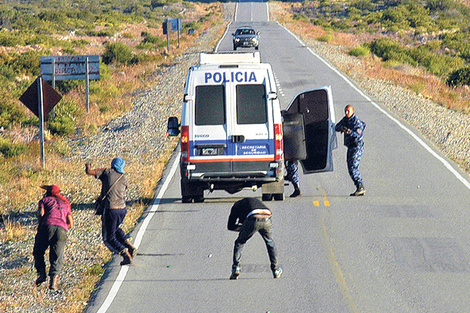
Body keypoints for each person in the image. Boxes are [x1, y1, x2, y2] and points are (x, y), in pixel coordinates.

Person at [85, 157, 136, 266]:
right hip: (122, 210)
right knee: (115, 228)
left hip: (111, 209)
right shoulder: (124, 178)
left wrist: (88, 165)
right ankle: (128, 245)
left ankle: (124, 253)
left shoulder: (107, 172)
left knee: (108, 238)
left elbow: (89, 172)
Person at [227, 197, 282, 280]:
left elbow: (230, 226)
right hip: (267, 216)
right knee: (270, 242)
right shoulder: (252, 202)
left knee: (240, 242)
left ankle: (236, 267)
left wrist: (244, 229)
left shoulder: (236, 207)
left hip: (253, 218)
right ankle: (276, 270)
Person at [33, 184, 74, 290]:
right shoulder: (65, 203)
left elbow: (41, 214)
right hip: (61, 230)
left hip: (47, 226)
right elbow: (71, 223)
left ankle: (41, 274)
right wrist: (63, 227)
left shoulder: (45, 200)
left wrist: (40, 224)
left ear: (48, 192)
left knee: (38, 251)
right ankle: (53, 283)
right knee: (57, 256)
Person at [335, 105, 366, 196]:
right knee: (350, 167)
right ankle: (359, 187)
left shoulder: (356, 122)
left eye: (348, 111)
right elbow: (337, 127)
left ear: (353, 111)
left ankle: (360, 186)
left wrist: (349, 132)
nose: (346, 113)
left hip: (357, 147)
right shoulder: (345, 120)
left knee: (353, 167)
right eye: (345, 111)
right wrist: (341, 128)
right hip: (350, 147)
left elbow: (359, 134)